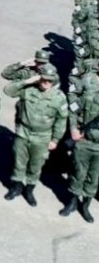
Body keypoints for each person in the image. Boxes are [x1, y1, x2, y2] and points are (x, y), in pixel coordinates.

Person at [3, 65, 68, 206]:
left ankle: (29, 190)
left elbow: (61, 120)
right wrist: (27, 81)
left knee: (36, 165)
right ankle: (16, 187)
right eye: (44, 79)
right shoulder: (28, 90)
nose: (46, 82)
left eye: (50, 80)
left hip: (42, 137)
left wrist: (55, 139)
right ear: (39, 78)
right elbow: (8, 90)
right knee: (19, 162)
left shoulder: (59, 98)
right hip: (23, 133)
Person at [61, 62, 99, 223]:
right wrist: (74, 129)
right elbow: (74, 108)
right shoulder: (89, 87)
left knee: (94, 178)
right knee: (78, 173)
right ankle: (72, 202)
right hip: (84, 141)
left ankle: (86, 206)